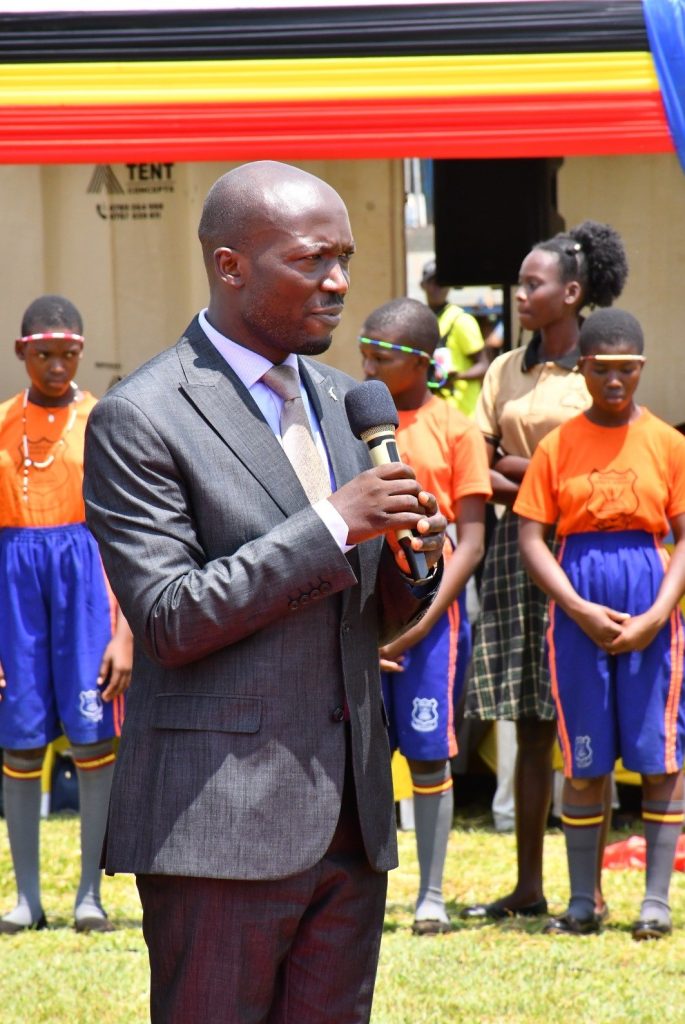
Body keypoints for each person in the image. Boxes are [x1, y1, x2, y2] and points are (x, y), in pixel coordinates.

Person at [82, 161, 446, 1024]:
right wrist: (330, 525)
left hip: (350, 824)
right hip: (218, 829)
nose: (338, 283)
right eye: (311, 260)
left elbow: (364, 612)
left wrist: (406, 560)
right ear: (230, 265)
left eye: (344, 259)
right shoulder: (143, 415)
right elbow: (169, 617)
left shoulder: (341, 402)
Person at [460, 220, 628, 922]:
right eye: (519, 283)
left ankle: (587, 890)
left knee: (590, 710)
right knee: (529, 722)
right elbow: (479, 459)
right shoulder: (504, 369)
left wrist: (527, 471)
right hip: (515, 549)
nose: (520, 294)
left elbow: (609, 462)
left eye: (533, 284)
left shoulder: (603, 363)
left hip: (591, 553)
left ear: (572, 291)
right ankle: (529, 886)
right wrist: (551, 478)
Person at [516, 308, 685, 939]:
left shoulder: (668, 444)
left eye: (627, 370)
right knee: (583, 757)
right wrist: (578, 608)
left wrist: (658, 615)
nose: (615, 382)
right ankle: (584, 900)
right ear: (582, 368)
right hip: (576, 606)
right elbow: (532, 537)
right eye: (602, 370)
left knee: (660, 755)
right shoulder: (557, 447)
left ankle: (656, 903)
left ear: (641, 369)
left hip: (651, 605)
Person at [0, 295, 132, 934]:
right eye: (43, 354)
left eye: (68, 354)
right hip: (15, 584)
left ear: (81, 351)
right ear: (22, 352)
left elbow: (137, 539)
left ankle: (90, 896)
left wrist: (125, 631)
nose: (56, 366)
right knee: (19, 739)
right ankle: (26, 899)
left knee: (93, 737)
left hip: (87, 579)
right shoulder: (0, 424)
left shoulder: (103, 420)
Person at [359, 297, 491, 934]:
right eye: (364, 351)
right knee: (362, 752)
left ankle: (432, 894)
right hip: (361, 613)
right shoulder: (346, 424)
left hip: (431, 621)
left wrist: (417, 616)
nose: (366, 365)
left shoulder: (456, 429)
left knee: (429, 753)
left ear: (422, 362)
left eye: (380, 356)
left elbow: (471, 540)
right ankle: (366, 887)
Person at [420, 259, 488, 417]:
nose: (437, 287)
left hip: (463, 413)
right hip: (435, 412)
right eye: (432, 281)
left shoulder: (461, 320)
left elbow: (484, 365)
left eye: (442, 282)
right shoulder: (423, 320)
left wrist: (456, 376)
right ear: (422, 285)